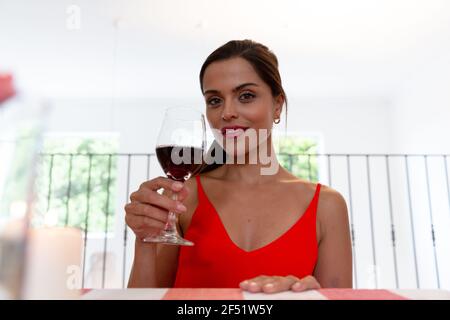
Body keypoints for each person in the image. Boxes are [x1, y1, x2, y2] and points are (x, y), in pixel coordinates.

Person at [125, 40, 352, 293]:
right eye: (214, 100)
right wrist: (144, 240)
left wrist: (304, 298)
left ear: (277, 105)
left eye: (246, 96)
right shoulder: (183, 198)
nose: (227, 112)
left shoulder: (326, 206)